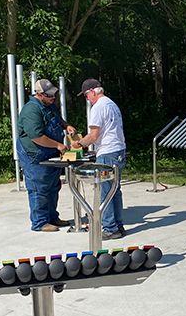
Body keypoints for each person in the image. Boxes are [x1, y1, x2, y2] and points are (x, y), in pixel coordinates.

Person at [16, 78, 76, 232]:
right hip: (35, 155)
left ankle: (52, 217)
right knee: (39, 187)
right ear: (40, 94)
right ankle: (40, 222)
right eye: (49, 96)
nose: (53, 98)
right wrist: (57, 145)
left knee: (53, 186)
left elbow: (58, 120)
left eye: (54, 95)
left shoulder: (49, 105)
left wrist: (67, 126)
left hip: (50, 153)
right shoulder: (31, 110)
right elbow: (37, 137)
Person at [72, 79, 127, 240]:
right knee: (114, 190)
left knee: (105, 191)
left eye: (87, 95)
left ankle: (110, 228)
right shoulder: (111, 104)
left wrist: (79, 144)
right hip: (119, 149)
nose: (87, 99)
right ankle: (118, 224)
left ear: (93, 92)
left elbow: (94, 135)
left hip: (107, 152)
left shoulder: (98, 108)